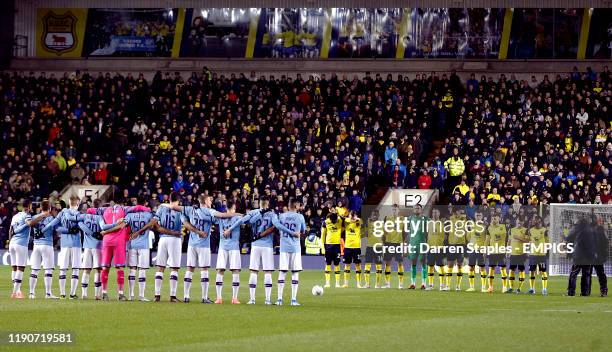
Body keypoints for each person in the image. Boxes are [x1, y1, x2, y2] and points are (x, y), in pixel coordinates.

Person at [87, 200, 151, 301]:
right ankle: (121, 294)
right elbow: (138, 207)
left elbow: (90, 210)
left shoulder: (104, 210)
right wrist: (147, 209)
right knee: (119, 268)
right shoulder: (124, 209)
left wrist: (88, 210)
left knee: (105, 268)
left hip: (107, 241)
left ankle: (104, 293)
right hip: (119, 242)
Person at [178, 194, 237, 303]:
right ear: (205, 201)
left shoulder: (191, 210)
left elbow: (184, 221)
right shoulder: (210, 211)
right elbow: (220, 217)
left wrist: (195, 230)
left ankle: (186, 296)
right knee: (204, 269)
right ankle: (204, 297)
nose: (211, 202)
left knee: (190, 269)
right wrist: (237, 214)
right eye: (209, 200)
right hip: (203, 245)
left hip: (191, 244)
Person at [224, 196, 276, 305]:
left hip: (255, 245)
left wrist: (229, 229)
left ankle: (252, 299)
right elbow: (275, 227)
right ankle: (267, 300)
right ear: (268, 203)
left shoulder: (253, 212)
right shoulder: (272, 214)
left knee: (253, 271)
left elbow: (243, 221)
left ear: (259, 203)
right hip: (267, 245)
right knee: (268, 272)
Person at [43, 196, 82, 299]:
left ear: (69, 203)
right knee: (75, 269)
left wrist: (42, 230)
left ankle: (62, 293)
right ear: (78, 204)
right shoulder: (79, 214)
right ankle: (72, 294)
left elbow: (53, 224)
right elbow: (83, 226)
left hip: (64, 244)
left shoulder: (62, 213)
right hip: (76, 244)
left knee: (63, 269)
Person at [9, 199, 48, 299]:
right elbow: (30, 223)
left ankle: (17, 291)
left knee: (14, 267)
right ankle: (15, 293)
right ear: (29, 206)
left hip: (12, 243)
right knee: (20, 268)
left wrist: (9, 242)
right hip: (21, 244)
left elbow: (10, 230)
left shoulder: (15, 216)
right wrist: (42, 216)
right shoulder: (26, 215)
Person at [151, 192, 184, 302]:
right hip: (175, 239)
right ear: (178, 200)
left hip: (163, 239)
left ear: (169, 199)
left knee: (160, 267)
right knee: (174, 268)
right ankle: (173, 296)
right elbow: (186, 223)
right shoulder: (180, 209)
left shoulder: (161, 208)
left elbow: (155, 225)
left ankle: (157, 295)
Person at [271, 199, 305, 306]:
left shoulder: (282, 216)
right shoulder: (300, 217)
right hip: (295, 248)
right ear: (295, 206)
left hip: (284, 247)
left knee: (282, 272)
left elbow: (276, 225)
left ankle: (279, 299)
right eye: (299, 204)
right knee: (295, 273)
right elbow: (303, 230)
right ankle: (293, 300)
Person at [214, 200, 243, 304]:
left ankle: (219, 298)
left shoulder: (220, 217)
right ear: (234, 208)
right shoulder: (238, 217)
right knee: (235, 271)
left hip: (223, 247)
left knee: (220, 271)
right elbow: (244, 218)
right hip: (234, 247)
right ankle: (234, 298)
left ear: (226, 208)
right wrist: (238, 214)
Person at [29, 200, 59, 299]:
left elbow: (31, 225)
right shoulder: (51, 218)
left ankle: (31, 293)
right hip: (47, 245)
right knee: (48, 270)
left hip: (36, 245)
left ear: (41, 208)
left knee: (34, 269)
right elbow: (57, 231)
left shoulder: (34, 217)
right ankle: (48, 293)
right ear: (49, 208)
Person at [383, 204, 405, 289]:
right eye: (392, 209)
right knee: (387, 263)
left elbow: (404, 232)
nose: (394, 211)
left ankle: (401, 284)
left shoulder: (402, 219)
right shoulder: (387, 218)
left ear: (398, 210)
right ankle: (387, 283)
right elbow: (384, 231)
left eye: (395, 209)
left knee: (400, 263)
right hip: (388, 243)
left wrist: (404, 245)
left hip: (398, 243)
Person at [445, 208, 467, 291]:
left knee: (459, 265)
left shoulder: (464, 218)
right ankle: (447, 285)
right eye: (458, 212)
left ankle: (458, 286)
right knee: (450, 264)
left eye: (460, 212)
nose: (459, 213)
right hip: (451, 244)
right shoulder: (450, 219)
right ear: (454, 212)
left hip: (461, 244)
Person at [321, 208, 343, 288]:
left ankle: (337, 283)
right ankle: (327, 283)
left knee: (337, 264)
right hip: (328, 246)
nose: (334, 222)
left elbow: (347, 219)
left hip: (337, 245)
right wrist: (322, 247)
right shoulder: (325, 222)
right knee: (328, 264)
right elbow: (322, 235)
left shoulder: (340, 220)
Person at [486, 213, 508, 293]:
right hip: (492, 251)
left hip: (501, 251)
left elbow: (504, 237)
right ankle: (490, 287)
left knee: (503, 269)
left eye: (495, 218)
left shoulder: (503, 226)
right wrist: (485, 250)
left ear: (499, 218)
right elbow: (487, 240)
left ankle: (504, 287)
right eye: (493, 218)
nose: (494, 220)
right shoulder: (489, 228)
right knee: (491, 269)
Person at [466, 211, 488, 292]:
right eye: (477, 215)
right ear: (475, 216)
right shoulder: (472, 226)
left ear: (482, 216)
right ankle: (471, 286)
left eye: (480, 215)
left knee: (482, 268)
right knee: (471, 267)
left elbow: (487, 238)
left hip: (481, 249)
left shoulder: (485, 227)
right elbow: (468, 237)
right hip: (472, 249)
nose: (478, 217)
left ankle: (483, 287)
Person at [527, 216, 549, 295]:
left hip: (541, 255)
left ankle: (544, 289)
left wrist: (545, 250)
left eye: (534, 220)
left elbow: (547, 241)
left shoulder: (544, 230)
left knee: (543, 271)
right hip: (533, 254)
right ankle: (532, 289)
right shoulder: (530, 230)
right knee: (531, 272)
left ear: (539, 221)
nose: (533, 221)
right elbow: (529, 240)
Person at [407, 205, 428, 290]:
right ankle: (413, 284)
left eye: (418, 208)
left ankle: (423, 284)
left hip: (422, 243)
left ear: (421, 210)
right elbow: (407, 232)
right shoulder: (410, 219)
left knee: (423, 263)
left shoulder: (425, 219)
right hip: (412, 243)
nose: (416, 209)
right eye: (415, 208)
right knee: (413, 263)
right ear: (413, 209)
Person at [507, 219, 529, 294]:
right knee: (511, 270)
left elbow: (527, 241)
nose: (519, 223)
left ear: (522, 222)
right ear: (516, 222)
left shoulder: (525, 230)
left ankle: (519, 288)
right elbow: (509, 241)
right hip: (513, 254)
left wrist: (518, 238)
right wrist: (508, 250)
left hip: (521, 254)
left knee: (521, 271)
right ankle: (511, 287)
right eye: (518, 222)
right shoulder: (511, 230)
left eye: (520, 222)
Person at [426, 208, 446, 290]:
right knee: (430, 266)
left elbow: (446, 236)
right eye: (433, 212)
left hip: (439, 248)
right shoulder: (429, 223)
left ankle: (442, 285)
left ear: (439, 213)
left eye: (436, 212)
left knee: (440, 266)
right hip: (430, 248)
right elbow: (427, 234)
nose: (434, 214)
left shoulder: (442, 223)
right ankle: (430, 285)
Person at [363, 210, 383, 289]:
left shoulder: (381, 223)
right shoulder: (368, 223)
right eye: (373, 215)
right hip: (369, 247)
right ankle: (367, 284)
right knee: (367, 265)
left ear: (378, 216)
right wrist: (367, 225)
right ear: (371, 215)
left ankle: (377, 284)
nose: (374, 216)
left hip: (378, 247)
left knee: (379, 266)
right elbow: (366, 234)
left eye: (376, 215)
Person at [342, 210, 363, 288]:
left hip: (356, 247)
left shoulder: (359, 221)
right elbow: (345, 219)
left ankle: (358, 284)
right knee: (347, 265)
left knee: (357, 265)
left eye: (353, 215)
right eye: (351, 215)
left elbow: (359, 220)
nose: (352, 216)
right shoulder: (347, 221)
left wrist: (354, 219)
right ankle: (346, 283)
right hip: (347, 247)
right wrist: (350, 218)